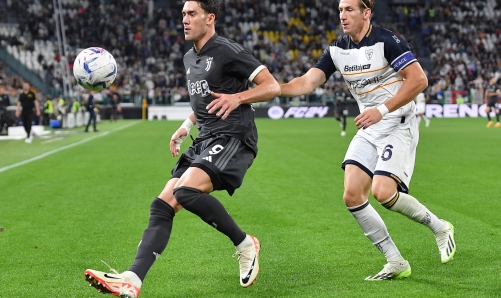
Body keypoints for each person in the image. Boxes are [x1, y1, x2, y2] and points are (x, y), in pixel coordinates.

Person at [83, 1, 280, 297]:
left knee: (185, 191)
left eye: (191, 14)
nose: (185, 20)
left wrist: (237, 98)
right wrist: (186, 126)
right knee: (162, 205)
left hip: (233, 136)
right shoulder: (190, 57)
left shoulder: (228, 51)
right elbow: (202, 100)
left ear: (209, 18)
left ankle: (245, 244)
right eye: (183, 15)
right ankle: (132, 280)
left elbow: (272, 86)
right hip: (205, 137)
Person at [279, 0, 455, 280]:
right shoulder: (337, 49)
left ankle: (439, 227)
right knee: (352, 195)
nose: (343, 15)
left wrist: (382, 109)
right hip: (369, 128)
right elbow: (307, 82)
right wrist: (273, 87)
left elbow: (419, 80)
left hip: (397, 124)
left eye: (349, 9)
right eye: (340, 10)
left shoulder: (387, 41)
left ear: (366, 13)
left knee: (383, 193)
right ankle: (395, 261)